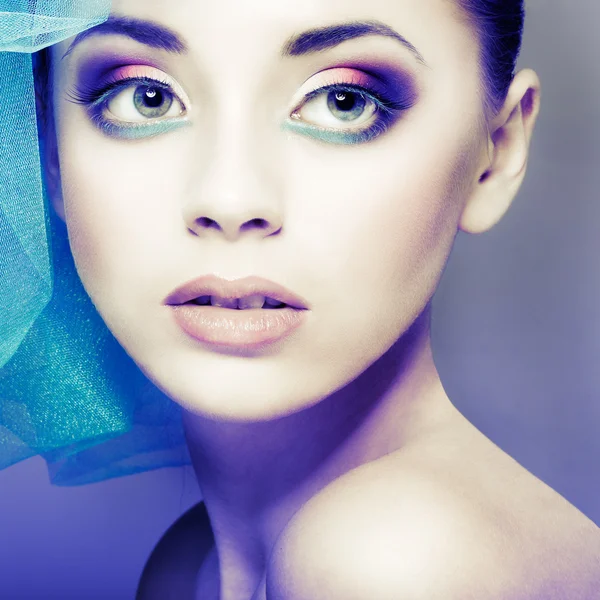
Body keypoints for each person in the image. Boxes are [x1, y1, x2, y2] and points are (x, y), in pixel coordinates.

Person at [2, 1, 599, 599]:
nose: (230, 199)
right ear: (48, 150)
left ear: (494, 154)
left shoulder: (396, 564)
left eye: (344, 101)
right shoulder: (190, 568)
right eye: (144, 97)